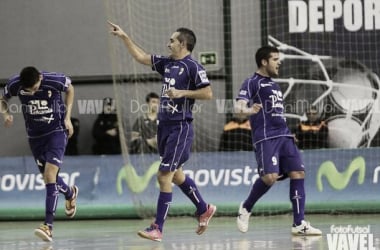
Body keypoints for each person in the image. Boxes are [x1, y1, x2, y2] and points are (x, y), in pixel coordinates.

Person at [108, 21, 216, 242]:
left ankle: (157, 227)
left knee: (163, 175)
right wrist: (124, 37)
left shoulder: (193, 67)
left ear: (183, 44)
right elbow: (141, 57)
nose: (168, 44)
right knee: (176, 175)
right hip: (164, 127)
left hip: (180, 127)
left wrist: (183, 93)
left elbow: (208, 94)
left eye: (172, 40)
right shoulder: (167, 63)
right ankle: (203, 208)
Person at [234, 46, 322, 236]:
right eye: (275, 59)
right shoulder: (251, 82)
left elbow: (276, 114)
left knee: (298, 173)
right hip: (266, 138)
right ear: (264, 62)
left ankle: (299, 224)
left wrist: (289, 134)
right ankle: (246, 207)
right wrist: (248, 110)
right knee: (270, 177)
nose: (279, 62)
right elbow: (238, 107)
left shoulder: (275, 85)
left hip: (284, 135)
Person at [0, 66, 79, 242]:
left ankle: (48, 226)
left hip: (57, 132)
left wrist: (67, 117)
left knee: (50, 174)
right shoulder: (15, 84)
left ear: (40, 78)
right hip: (35, 137)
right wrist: (5, 114)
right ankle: (70, 193)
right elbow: (2, 99)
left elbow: (70, 88)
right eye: (30, 91)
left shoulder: (54, 80)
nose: (34, 92)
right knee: (48, 178)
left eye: (36, 88)